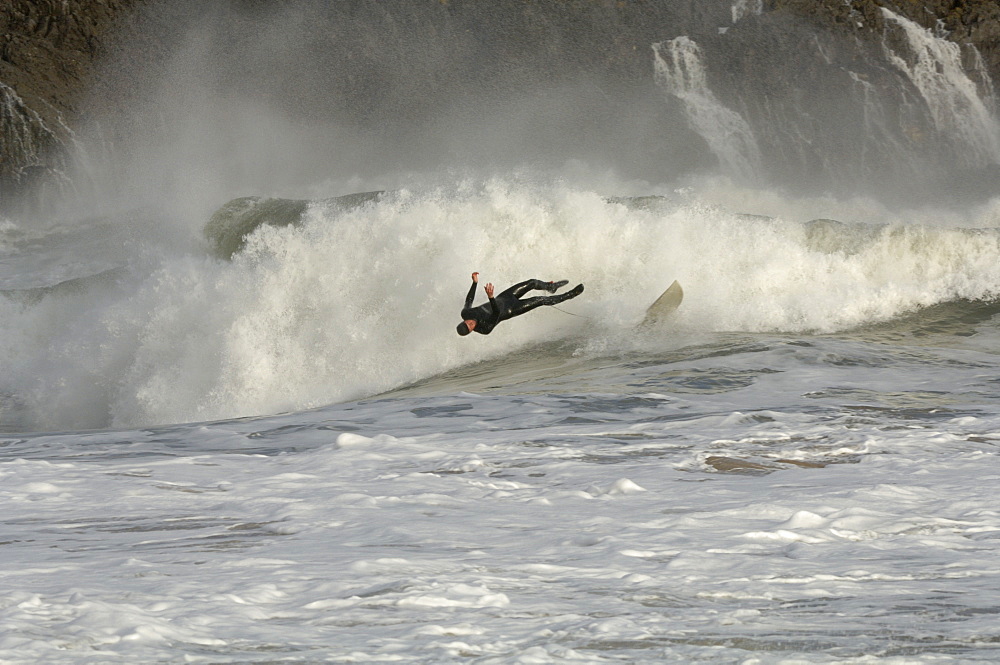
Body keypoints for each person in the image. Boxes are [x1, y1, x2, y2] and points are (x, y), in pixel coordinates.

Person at [457, 271, 584, 336]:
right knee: (540, 300)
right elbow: (496, 313)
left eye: (467, 323)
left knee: (532, 282)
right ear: (471, 330)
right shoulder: (485, 329)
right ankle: (570, 295)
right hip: (512, 309)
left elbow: (469, 300)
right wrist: (490, 297)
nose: (471, 323)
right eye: (470, 326)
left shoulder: (466, 313)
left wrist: (474, 283)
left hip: (504, 297)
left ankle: (550, 287)